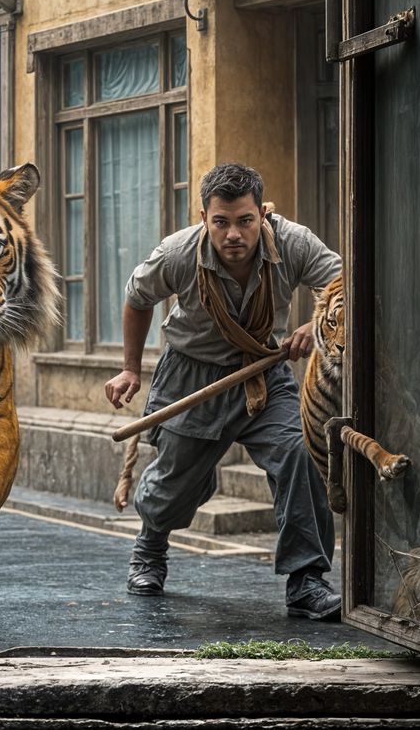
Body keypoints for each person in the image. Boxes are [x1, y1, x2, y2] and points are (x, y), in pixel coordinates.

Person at [103, 162, 342, 620]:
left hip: (264, 373)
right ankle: (150, 549)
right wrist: (130, 369)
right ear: (204, 217)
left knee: (300, 453)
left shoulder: (292, 242)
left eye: (245, 221)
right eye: (222, 222)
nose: (234, 234)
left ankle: (306, 579)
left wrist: (316, 321)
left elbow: (340, 282)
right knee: (174, 486)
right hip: (193, 376)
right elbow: (137, 298)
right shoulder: (177, 253)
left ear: (262, 216)